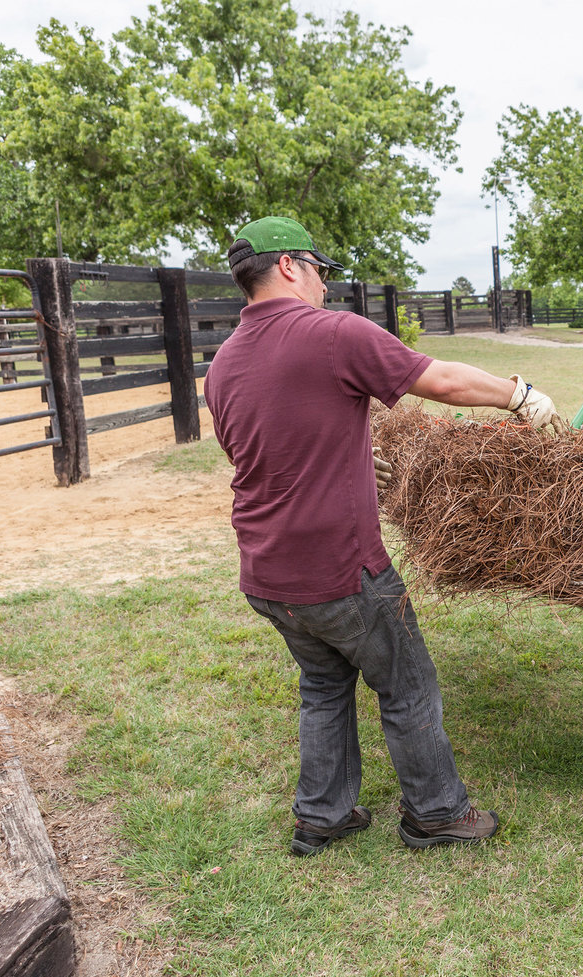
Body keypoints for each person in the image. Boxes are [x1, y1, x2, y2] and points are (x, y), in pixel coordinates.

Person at [203, 216, 562, 855]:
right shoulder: (332, 334)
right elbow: (442, 380)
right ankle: (437, 813)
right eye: (319, 270)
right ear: (290, 265)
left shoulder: (224, 363)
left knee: (324, 684)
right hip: (339, 569)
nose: (323, 286)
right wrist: (520, 394)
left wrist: (347, 454)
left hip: (266, 572)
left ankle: (323, 816)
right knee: (407, 683)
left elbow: (260, 448)